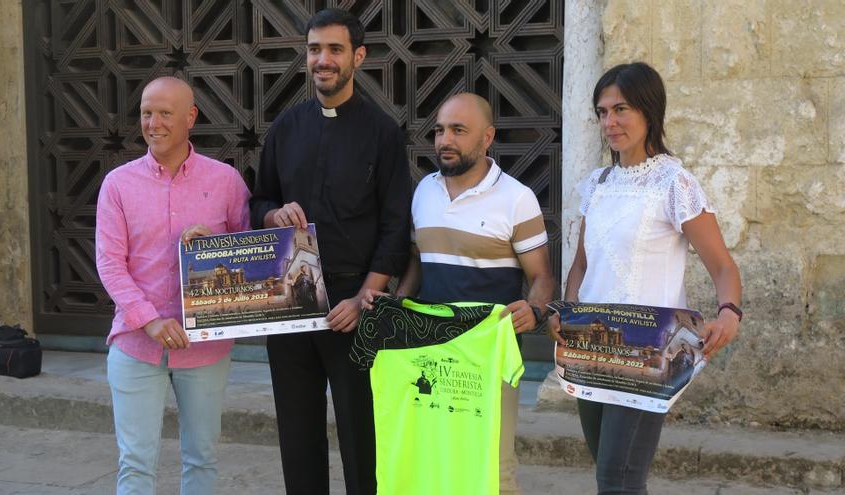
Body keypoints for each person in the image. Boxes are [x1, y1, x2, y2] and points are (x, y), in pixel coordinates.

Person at [552, 62, 742, 494]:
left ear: (649, 111)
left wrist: (729, 311)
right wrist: (566, 315)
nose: (610, 122)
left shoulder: (675, 184)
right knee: (613, 475)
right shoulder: (597, 184)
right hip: (592, 346)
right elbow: (581, 265)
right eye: (602, 112)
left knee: (617, 479)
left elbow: (722, 266)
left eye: (621, 109)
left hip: (646, 350)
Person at [249, 8, 411, 494]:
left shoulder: (383, 133)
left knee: (363, 438)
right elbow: (259, 198)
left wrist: (366, 297)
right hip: (290, 303)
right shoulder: (285, 127)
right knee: (296, 434)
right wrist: (272, 216)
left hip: (352, 308)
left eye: (335, 50)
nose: (323, 60)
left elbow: (395, 224)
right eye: (315, 49)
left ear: (357, 57)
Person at [364, 92, 555, 494]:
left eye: (458, 130)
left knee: (493, 469)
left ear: (487, 138)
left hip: (487, 358)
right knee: (431, 461)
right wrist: (398, 305)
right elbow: (417, 261)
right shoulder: (425, 192)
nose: (444, 140)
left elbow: (542, 277)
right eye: (439, 130)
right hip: (428, 354)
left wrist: (535, 309)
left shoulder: (517, 199)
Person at [96, 76, 250, 494]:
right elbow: (110, 264)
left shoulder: (226, 181)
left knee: (202, 459)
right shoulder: (118, 184)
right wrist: (149, 321)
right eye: (147, 113)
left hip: (205, 348)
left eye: (165, 113)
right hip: (135, 346)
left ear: (190, 118)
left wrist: (214, 248)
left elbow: (252, 259)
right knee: (135, 464)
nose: (154, 123)